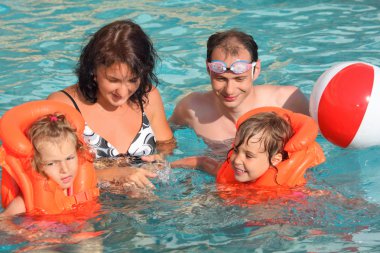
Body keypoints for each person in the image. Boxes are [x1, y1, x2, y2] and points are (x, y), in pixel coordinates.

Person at [47, 20, 175, 188]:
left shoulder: (148, 97)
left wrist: (161, 157)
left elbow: (167, 144)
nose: (123, 92)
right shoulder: (63, 106)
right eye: (113, 80)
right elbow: (49, 168)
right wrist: (110, 174)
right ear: (93, 70)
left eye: (132, 80)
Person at [170, 29, 309, 155]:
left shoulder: (286, 101)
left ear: (257, 69)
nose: (230, 90)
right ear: (208, 69)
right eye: (221, 79)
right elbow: (164, 142)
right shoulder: (192, 108)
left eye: (239, 79)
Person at [171, 107, 325, 194]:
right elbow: (203, 163)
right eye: (236, 150)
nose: (237, 160)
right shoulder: (228, 171)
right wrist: (167, 166)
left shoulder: (290, 188)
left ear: (275, 159)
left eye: (249, 155)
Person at [1, 106, 99, 216]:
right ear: (37, 163)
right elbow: (4, 223)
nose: (65, 169)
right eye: (52, 163)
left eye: (69, 158)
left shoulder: (84, 185)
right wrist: (22, 231)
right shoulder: (24, 203)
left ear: (78, 153)